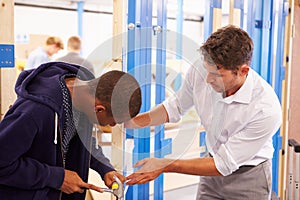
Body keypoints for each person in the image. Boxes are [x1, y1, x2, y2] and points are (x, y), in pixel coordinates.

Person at [125, 25, 282, 199]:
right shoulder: (202, 70)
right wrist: (133, 122)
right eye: (207, 71)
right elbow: (175, 106)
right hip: (210, 167)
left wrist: (165, 165)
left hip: (248, 176)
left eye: (217, 75)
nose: (207, 80)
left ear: (243, 71)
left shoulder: (266, 109)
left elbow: (223, 164)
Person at [0, 62, 142, 200]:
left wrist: (104, 167)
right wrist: (57, 178)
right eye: (113, 121)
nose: (111, 125)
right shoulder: (36, 111)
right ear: (99, 109)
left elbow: (81, 140)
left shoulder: (84, 99)